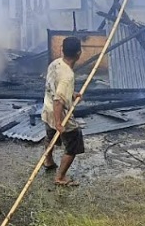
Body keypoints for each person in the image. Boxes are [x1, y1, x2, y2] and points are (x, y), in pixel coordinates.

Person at [41, 36, 85, 187]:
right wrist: (59, 123)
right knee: (74, 143)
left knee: (50, 136)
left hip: (47, 110)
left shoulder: (55, 64)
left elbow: (54, 87)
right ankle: (60, 177)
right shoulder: (67, 75)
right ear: (79, 53)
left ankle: (48, 161)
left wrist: (71, 94)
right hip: (58, 113)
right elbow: (58, 101)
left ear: (62, 50)